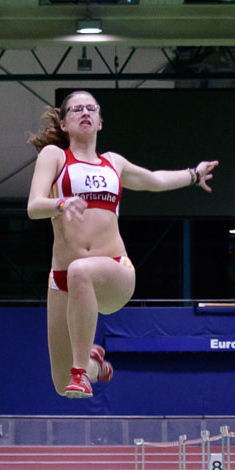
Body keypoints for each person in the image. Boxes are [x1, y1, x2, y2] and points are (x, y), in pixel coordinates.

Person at [27, 90, 218, 398]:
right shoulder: (55, 156)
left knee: (81, 271)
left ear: (100, 122)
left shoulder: (112, 163)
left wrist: (193, 175)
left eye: (92, 108)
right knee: (61, 386)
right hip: (62, 278)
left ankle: (81, 373)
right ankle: (91, 364)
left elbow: (154, 180)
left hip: (114, 270)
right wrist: (61, 204)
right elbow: (34, 206)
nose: (85, 112)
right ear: (64, 124)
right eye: (76, 109)